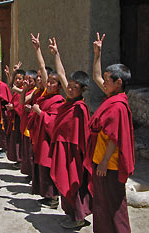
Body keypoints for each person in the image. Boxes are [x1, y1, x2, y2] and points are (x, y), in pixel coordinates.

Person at [84, 32, 134, 233]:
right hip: (101, 159)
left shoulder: (118, 106)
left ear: (119, 82)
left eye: (107, 80)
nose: (103, 82)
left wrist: (103, 162)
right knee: (102, 205)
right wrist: (97, 54)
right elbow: (96, 76)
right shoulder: (113, 96)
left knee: (114, 207)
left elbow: (115, 137)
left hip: (110, 164)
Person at [48, 36, 92, 229]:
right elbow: (61, 73)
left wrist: (79, 157)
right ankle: (71, 215)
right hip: (64, 151)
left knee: (74, 183)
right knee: (65, 183)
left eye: (75, 88)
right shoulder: (68, 103)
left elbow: (83, 136)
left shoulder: (80, 108)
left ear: (82, 90)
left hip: (75, 155)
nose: (70, 89)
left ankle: (78, 218)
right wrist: (56, 54)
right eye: (69, 86)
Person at [27, 33, 64, 209]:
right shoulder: (44, 94)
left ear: (59, 87)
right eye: (47, 82)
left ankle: (54, 198)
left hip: (49, 140)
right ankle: (47, 196)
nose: (48, 85)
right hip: (39, 137)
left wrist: (40, 112)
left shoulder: (57, 100)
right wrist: (38, 49)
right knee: (41, 166)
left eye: (52, 83)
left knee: (48, 166)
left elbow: (54, 123)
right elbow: (42, 67)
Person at [5, 62, 25, 168]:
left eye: (20, 79)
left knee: (20, 140)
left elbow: (21, 105)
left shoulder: (23, 91)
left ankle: (21, 160)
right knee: (15, 139)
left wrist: (14, 107)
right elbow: (11, 86)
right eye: (16, 78)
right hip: (15, 118)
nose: (17, 81)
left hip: (20, 119)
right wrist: (11, 74)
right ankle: (18, 159)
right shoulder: (18, 90)